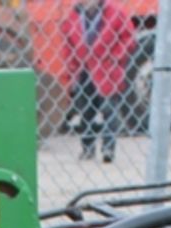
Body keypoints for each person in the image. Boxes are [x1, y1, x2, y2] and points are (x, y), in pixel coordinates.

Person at [61, 0, 133, 163]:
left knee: (109, 110)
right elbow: (68, 45)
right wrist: (72, 69)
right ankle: (87, 148)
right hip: (84, 69)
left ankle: (108, 149)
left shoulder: (115, 12)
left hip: (107, 68)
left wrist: (116, 57)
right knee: (86, 111)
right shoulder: (73, 17)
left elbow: (128, 38)